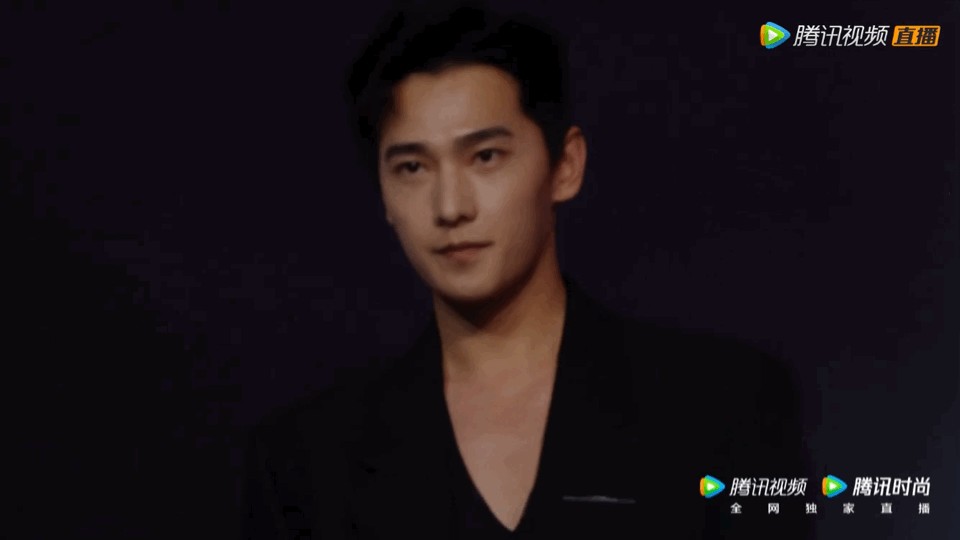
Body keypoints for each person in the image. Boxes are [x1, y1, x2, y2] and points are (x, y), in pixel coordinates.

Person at [242, 2, 814, 538]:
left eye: (485, 157)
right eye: (412, 167)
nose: (450, 207)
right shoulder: (305, 462)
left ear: (565, 166)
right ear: (384, 194)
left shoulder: (724, 408)